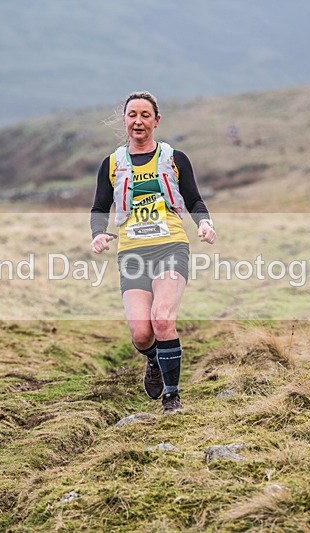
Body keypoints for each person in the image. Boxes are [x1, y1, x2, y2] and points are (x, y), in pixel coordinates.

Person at [90, 91, 216, 415]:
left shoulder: (174, 159)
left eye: (146, 115)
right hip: (132, 252)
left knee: (162, 319)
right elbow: (99, 207)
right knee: (142, 332)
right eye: (133, 115)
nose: (138, 121)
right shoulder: (113, 164)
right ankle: (154, 360)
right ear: (125, 120)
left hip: (171, 245)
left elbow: (194, 200)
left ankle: (172, 398)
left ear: (156, 121)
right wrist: (98, 235)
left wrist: (204, 224)